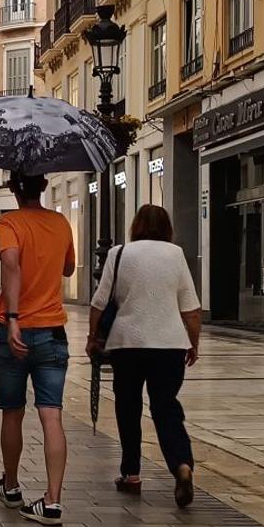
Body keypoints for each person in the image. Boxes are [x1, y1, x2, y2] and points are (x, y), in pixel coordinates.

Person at [86, 205, 201, 508]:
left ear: (136, 226)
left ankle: (131, 474)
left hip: (128, 343)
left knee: (128, 408)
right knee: (166, 407)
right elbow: (191, 308)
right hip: (169, 344)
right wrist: (193, 342)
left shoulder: (119, 253)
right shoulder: (175, 254)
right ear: (167, 227)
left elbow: (99, 302)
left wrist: (92, 337)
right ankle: (182, 465)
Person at [0, 171, 75, 526]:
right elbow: (69, 269)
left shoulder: (8, 222)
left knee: (13, 411)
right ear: (42, 186)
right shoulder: (60, 223)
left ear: (12, 188)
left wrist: (12, 318)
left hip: (15, 332)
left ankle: (11, 487)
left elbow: (10, 261)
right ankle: (52, 502)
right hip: (53, 331)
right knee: (51, 414)